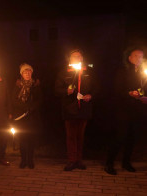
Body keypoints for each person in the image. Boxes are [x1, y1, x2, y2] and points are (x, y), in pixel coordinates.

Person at [105, 47, 147, 175]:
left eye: (141, 56)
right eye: (136, 56)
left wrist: (144, 97)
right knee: (120, 137)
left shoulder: (143, 72)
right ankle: (109, 163)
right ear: (129, 58)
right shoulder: (123, 71)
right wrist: (129, 93)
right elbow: (117, 90)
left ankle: (126, 162)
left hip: (138, 110)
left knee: (132, 138)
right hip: (123, 110)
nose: (139, 58)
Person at [55, 49, 97, 171]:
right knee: (71, 136)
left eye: (79, 56)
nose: (77, 58)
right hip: (69, 109)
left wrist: (91, 95)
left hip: (83, 109)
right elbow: (56, 90)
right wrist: (65, 91)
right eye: (74, 57)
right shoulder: (64, 72)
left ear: (82, 58)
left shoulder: (88, 72)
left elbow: (97, 87)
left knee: (80, 136)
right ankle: (72, 160)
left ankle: (79, 160)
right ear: (70, 59)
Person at [11, 63, 42, 169]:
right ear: (21, 74)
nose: (27, 73)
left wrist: (31, 107)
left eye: (29, 72)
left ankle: (30, 160)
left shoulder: (35, 85)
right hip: (21, 117)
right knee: (22, 139)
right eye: (25, 72)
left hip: (32, 117)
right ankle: (23, 160)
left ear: (31, 73)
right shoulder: (17, 85)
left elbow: (39, 100)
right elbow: (14, 100)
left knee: (31, 139)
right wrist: (24, 108)